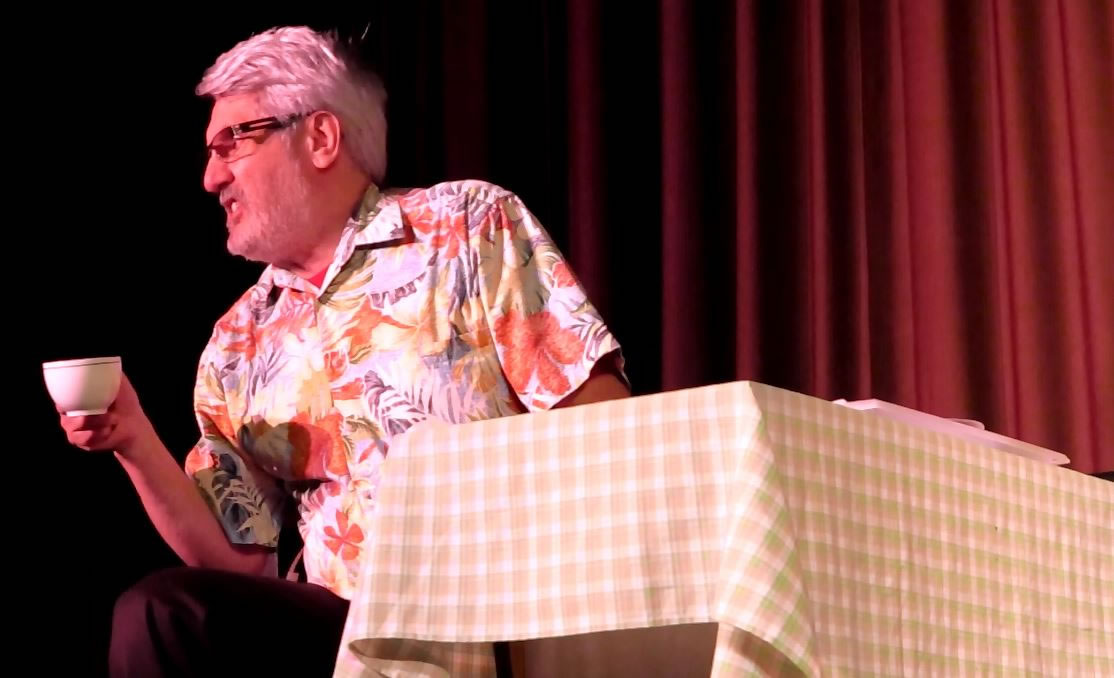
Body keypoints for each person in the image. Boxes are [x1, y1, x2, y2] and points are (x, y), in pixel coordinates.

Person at [57, 25, 629, 677]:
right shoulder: (240, 338)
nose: (212, 177)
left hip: (490, 613)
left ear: (321, 137)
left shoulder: (466, 229)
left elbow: (598, 420)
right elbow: (241, 557)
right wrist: (133, 438)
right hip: (343, 632)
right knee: (163, 615)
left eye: (233, 141)